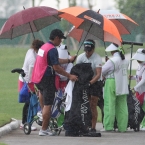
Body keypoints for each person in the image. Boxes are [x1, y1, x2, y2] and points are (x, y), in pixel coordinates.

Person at [31, 29, 78, 136]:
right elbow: (56, 67)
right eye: (60, 39)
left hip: (38, 79)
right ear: (56, 38)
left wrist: (69, 60)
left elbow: (55, 60)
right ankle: (43, 130)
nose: (61, 42)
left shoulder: (44, 47)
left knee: (44, 104)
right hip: (47, 79)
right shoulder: (52, 49)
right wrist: (69, 75)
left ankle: (44, 125)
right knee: (48, 105)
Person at [76, 39, 103, 133]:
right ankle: (86, 124)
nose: (87, 52)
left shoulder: (97, 58)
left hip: (95, 82)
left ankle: (93, 126)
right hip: (85, 81)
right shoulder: (81, 57)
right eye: (86, 50)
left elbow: (98, 74)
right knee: (85, 104)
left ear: (93, 49)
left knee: (93, 104)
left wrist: (90, 83)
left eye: (89, 50)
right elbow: (77, 70)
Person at [102, 43, 129, 132]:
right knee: (122, 106)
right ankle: (123, 127)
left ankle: (109, 126)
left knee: (109, 104)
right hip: (123, 83)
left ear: (112, 51)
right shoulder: (125, 60)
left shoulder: (112, 61)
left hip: (111, 82)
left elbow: (102, 71)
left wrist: (107, 62)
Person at [18, 39, 44, 130]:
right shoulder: (32, 59)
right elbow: (31, 75)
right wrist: (34, 88)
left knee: (29, 103)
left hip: (25, 79)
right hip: (27, 81)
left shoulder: (30, 51)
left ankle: (26, 122)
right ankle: (25, 123)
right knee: (29, 103)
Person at [129, 48, 145, 131]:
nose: (138, 61)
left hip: (143, 91)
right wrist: (132, 77)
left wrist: (135, 88)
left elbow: (143, 80)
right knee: (139, 108)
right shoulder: (139, 66)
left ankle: (144, 125)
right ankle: (140, 123)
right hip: (139, 91)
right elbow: (138, 77)